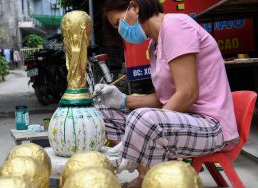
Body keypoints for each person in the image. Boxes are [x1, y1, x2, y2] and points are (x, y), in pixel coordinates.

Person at [95, 0, 239, 187]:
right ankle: (146, 174)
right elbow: (164, 99)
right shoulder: (153, 46)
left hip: (212, 126)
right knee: (103, 112)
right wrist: (122, 101)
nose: (120, 31)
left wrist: (139, 128)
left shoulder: (176, 26)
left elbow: (187, 94)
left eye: (118, 23)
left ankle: (143, 179)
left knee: (143, 120)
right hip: (181, 121)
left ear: (135, 7)